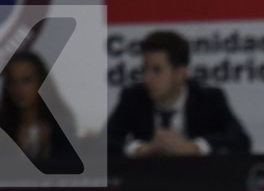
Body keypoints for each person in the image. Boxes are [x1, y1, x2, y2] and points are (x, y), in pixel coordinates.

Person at [106, 30, 251, 157]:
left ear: (180, 72)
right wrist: (139, 149)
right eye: (145, 69)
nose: (147, 78)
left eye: (157, 70)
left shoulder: (209, 99)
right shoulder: (133, 98)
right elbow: (102, 143)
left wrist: (194, 147)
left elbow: (241, 140)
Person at [0, 49, 82, 173]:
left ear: (42, 83)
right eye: (13, 82)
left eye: (26, 80)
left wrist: (46, 152)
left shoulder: (61, 127)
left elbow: (72, 176)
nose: (19, 89)